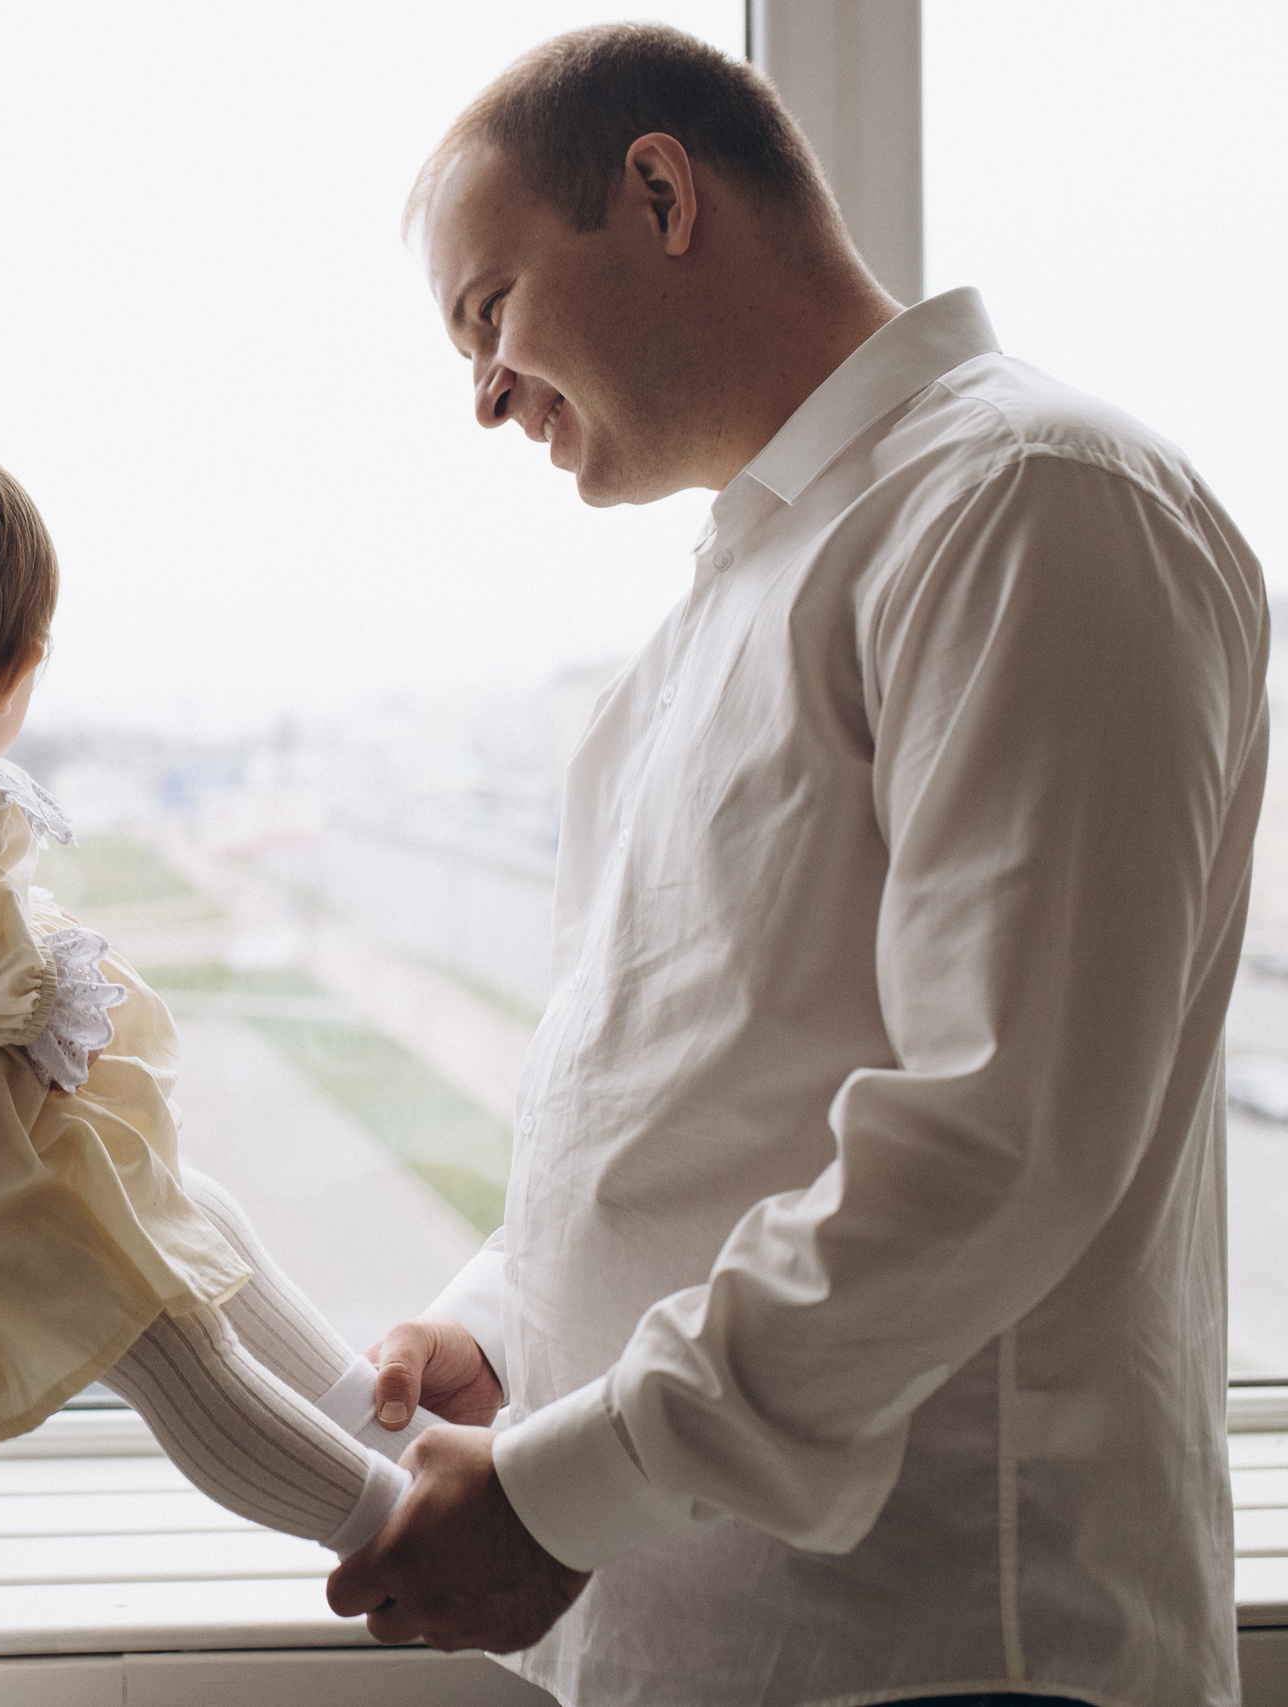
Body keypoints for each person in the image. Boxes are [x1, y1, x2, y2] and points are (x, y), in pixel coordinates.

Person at [326, 23, 1269, 1707]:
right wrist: (501, 1329)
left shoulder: (1031, 502)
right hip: (729, 1646)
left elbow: (1003, 1137)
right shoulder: (725, 608)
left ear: (662, 192)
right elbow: (687, 1108)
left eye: (488, 313)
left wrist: (564, 1485)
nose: (479, 395)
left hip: (943, 1653)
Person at [0, 436, 437, 1557]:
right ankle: (398, 1527)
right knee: (156, 1333)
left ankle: (389, 1432)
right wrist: (38, 982)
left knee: (195, 1215)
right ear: (21, 667)